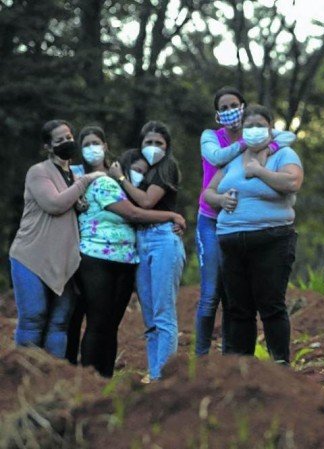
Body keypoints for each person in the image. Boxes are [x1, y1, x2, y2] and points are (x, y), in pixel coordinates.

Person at [68, 127, 186, 377]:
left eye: (96, 143)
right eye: (87, 144)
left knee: (112, 325)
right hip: (96, 258)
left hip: (127, 258)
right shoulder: (84, 177)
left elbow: (140, 204)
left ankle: (122, 378)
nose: (92, 148)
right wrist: (172, 215)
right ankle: (90, 380)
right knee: (99, 322)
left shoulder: (124, 180)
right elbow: (135, 212)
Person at [195, 86, 296, 356]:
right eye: (223, 108)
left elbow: (289, 139)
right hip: (214, 222)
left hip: (265, 234)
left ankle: (261, 360)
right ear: (217, 114)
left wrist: (267, 149)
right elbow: (215, 162)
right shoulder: (216, 140)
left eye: (234, 106)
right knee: (214, 297)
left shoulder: (273, 148)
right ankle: (204, 358)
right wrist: (246, 147)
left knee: (258, 302)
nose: (230, 112)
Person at [8, 119, 104, 357]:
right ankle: (26, 373)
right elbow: (54, 204)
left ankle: (54, 375)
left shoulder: (71, 174)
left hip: (63, 258)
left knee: (60, 321)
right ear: (48, 147)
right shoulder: (38, 172)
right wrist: (86, 181)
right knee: (33, 317)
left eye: (69, 138)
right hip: (31, 255)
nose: (66, 143)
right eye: (59, 140)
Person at [109, 121, 186, 381]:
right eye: (148, 143)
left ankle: (165, 377)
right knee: (150, 319)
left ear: (167, 147)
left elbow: (145, 202)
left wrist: (119, 178)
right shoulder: (138, 172)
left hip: (164, 238)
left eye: (159, 144)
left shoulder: (167, 168)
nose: (153, 148)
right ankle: (155, 375)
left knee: (164, 314)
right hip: (141, 239)